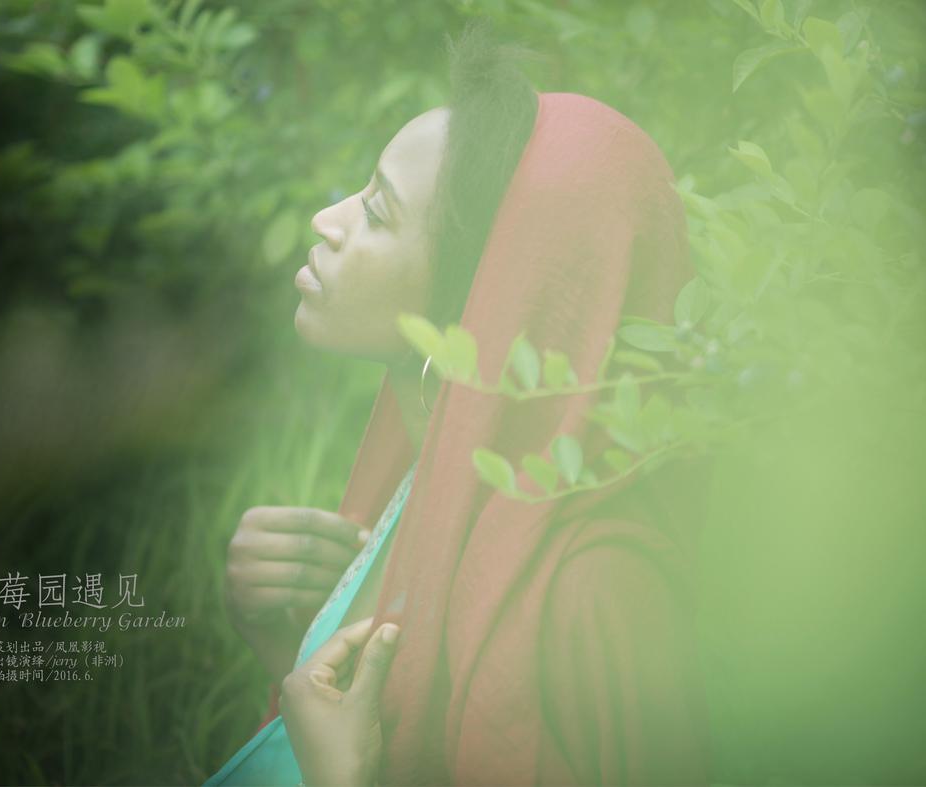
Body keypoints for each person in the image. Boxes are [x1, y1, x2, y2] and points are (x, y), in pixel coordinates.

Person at [210, 20, 711, 787]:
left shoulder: (597, 591)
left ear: (488, 300)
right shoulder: (425, 479)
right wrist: (286, 647)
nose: (327, 220)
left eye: (377, 213)